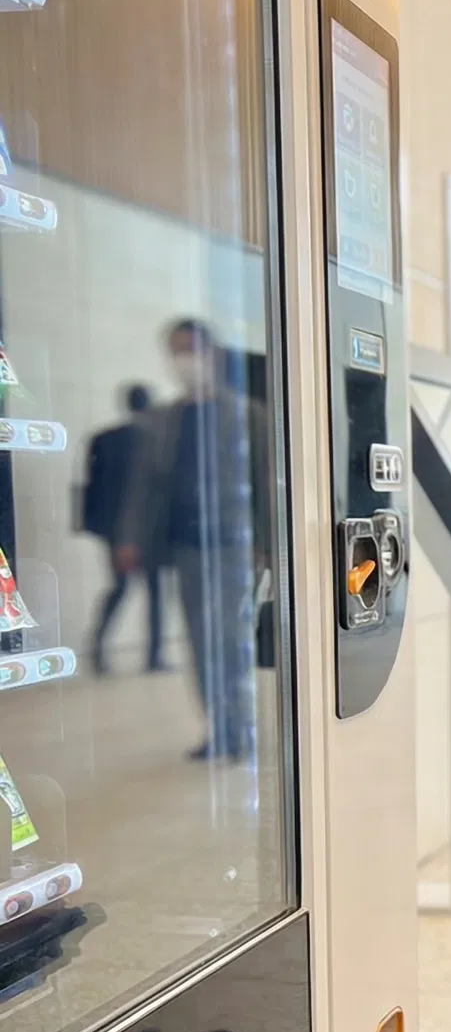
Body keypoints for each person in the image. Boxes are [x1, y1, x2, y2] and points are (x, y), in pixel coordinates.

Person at [118, 319, 269, 761]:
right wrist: (129, 538)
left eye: (189, 349)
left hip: (234, 547)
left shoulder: (248, 414)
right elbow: (142, 486)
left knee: (231, 640)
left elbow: (264, 482)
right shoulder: (163, 420)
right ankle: (218, 730)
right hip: (186, 548)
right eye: (174, 351)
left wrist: (266, 545)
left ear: (210, 353)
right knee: (200, 643)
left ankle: (242, 729)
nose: (182, 359)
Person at [82, 384, 166, 675]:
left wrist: (99, 529)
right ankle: (154, 656)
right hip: (147, 529)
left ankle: (98, 647)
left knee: (121, 587)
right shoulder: (153, 441)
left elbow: (91, 490)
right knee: (153, 591)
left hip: (114, 530)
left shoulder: (104, 440)